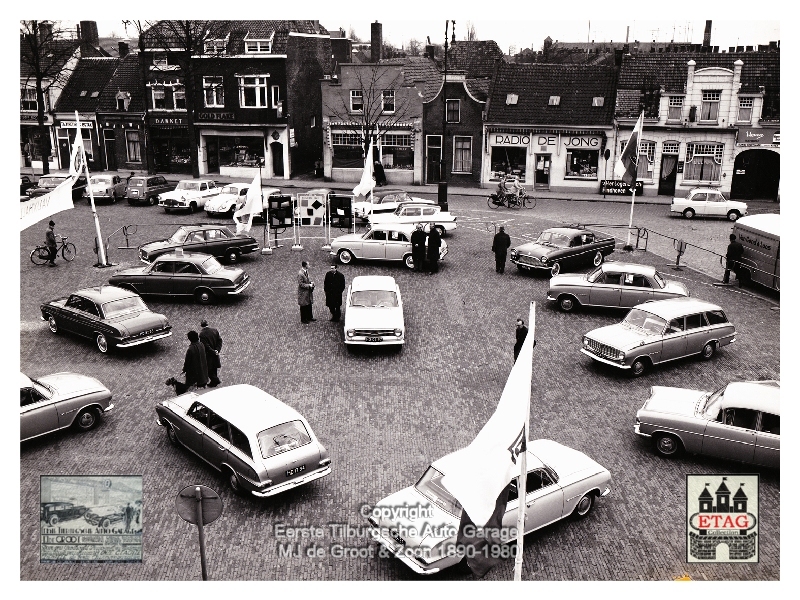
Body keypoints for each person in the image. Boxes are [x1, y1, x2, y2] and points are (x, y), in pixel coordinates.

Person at [166, 331, 208, 395]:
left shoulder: (191, 349)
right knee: (202, 381)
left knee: (190, 385)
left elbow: (187, 361)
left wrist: (184, 369)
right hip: (202, 369)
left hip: (194, 372)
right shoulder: (201, 345)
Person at [199, 319, 223, 387]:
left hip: (208, 355)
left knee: (208, 369)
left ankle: (216, 380)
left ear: (201, 325)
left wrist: (212, 351)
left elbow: (206, 346)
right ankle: (213, 383)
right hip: (215, 353)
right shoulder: (214, 330)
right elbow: (219, 340)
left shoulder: (202, 334)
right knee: (214, 367)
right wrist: (217, 350)